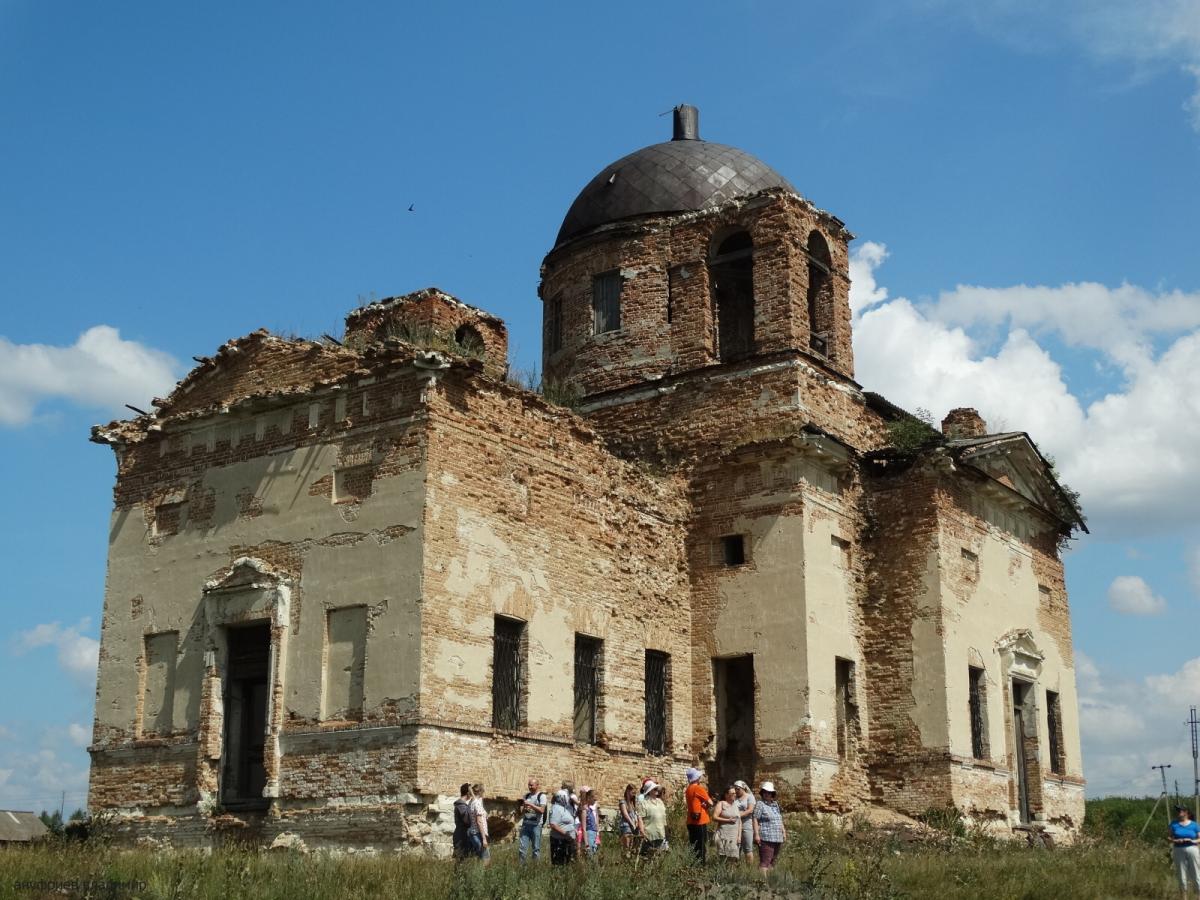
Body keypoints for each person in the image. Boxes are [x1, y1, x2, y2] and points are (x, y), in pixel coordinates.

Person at [752, 781, 786, 872]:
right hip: (766, 836)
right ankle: (761, 883)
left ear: (772, 794)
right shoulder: (760, 804)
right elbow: (755, 819)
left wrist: (783, 831)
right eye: (765, 792)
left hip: (777, 837)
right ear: (762, 793)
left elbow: (779, 819)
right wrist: (756, 834)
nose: (767, 794)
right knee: (765, 861)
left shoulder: (775, 805)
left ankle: (769, 881)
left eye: (769, 792)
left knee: (772, 861)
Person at [684, 767, 713, 863]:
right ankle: (700, 867)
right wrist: (706, 805)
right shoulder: (698, 788)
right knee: (701, 847)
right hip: (700, 821)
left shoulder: (688, 789)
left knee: (694, 845)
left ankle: (693, 865)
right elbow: (711, 802)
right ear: (697, 778)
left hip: (690, 820)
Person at [1170, 805, 1200, 897]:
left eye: (1180, 810)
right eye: (1178, 810)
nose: (1178, 812)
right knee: (1181, 875)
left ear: (1186, 812)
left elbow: (1199, 838)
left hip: (1192, 848)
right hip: (1178, 849)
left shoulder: (1194, 825)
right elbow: (1169, 837)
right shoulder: (1173, 824)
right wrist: (1175, 840)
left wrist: (1192, 840)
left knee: (1196, 874)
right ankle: (1184, 897)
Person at [518, 778, 547, 863]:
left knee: (536, 848)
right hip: (526, 824)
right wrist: (524, 808)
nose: (530, 787)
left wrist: (531, 804)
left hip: (536, 825)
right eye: (529, 785)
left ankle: (535, 868)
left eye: (532, 785)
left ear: (537, 785)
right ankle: (521, 866)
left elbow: (542, 810)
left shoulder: (542, 796)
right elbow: (522, 812)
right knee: (522, 848)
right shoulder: (526, 796)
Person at [712, 786, 742, 865]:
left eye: (735, 793)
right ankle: (722, 874)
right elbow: (714, 817)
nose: (735, 795)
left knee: (733, 857)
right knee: (723, 857)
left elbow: (739, 821)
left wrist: (739, 836)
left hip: (734, 836)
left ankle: (731, 876)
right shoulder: (721, 803)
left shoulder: (736, 805)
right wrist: (728, 820)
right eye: (732, 793)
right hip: (723, 834)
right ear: (726, 795)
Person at [638, 781, 668, 858]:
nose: (657, 790)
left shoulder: (660, 802)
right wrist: (642, 831)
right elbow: (640, 818)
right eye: (655, 789)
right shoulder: (644, 803)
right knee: (648, 857)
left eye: (657, 789)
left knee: (660, 857)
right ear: (650, 791)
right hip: (649, 834)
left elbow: (663, 818)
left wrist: (666, 830)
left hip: (660, 833)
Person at [548, 789, 578, 865]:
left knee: (567, 861)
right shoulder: (556, 808)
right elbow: (553, 825)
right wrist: (566, 834)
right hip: (559, 840)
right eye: (567, 797)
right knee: (559, 861)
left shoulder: (563, 808)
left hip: (566, 840)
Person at [618, 783, 645, 858]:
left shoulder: (633, 804)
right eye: (632, 793)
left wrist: (636, 823)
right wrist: (632, 823)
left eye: (634, 793)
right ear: (627, 791)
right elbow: (625, 815)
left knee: (633, 849)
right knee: (626, 849)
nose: (633, 795)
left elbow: (636, 814)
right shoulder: (623, 802)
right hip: (626, 826)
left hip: (634, 828)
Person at [734, 780, 756, 864]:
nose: (736, 791)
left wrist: (738, 815)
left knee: (748, 848)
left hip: (746, 823)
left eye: (738, 789)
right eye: (735, 789)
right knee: (736, 847)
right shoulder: (734, 798)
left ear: (743, 788)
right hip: (735, 824)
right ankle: (736, 867)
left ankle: (749, 869)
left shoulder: (749, 797)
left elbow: (750, 810)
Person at [468, 782, 490, 864]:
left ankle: (477, 874)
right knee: (486, 859)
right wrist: (484, 839)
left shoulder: (471, 802)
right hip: (479, 834)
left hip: (473, 833)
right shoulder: (477, 803)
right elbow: (479, 821)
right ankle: (483, 876)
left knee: (479, 858)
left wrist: (471, 790)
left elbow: (476, 799)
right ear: (481, 792)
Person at [451, 783, 473, 861]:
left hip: (463, 835)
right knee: (461, 862)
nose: (472, 794)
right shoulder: (461, 806)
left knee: (463, 861)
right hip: (461, 836)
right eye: (471, 792)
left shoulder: (463, 805)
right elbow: (467, 821)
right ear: (468, 793)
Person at [581, 787, 600, 856]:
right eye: (594, 800)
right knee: (590, 855)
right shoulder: (585, 810)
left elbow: (597, 823)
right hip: (589, 834)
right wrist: (586, 843)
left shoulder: (594, 810)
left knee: (595, 855)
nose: (595, 802)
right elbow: (584, 827)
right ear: (589, 798)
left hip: (595, 834)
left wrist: (598, 835)